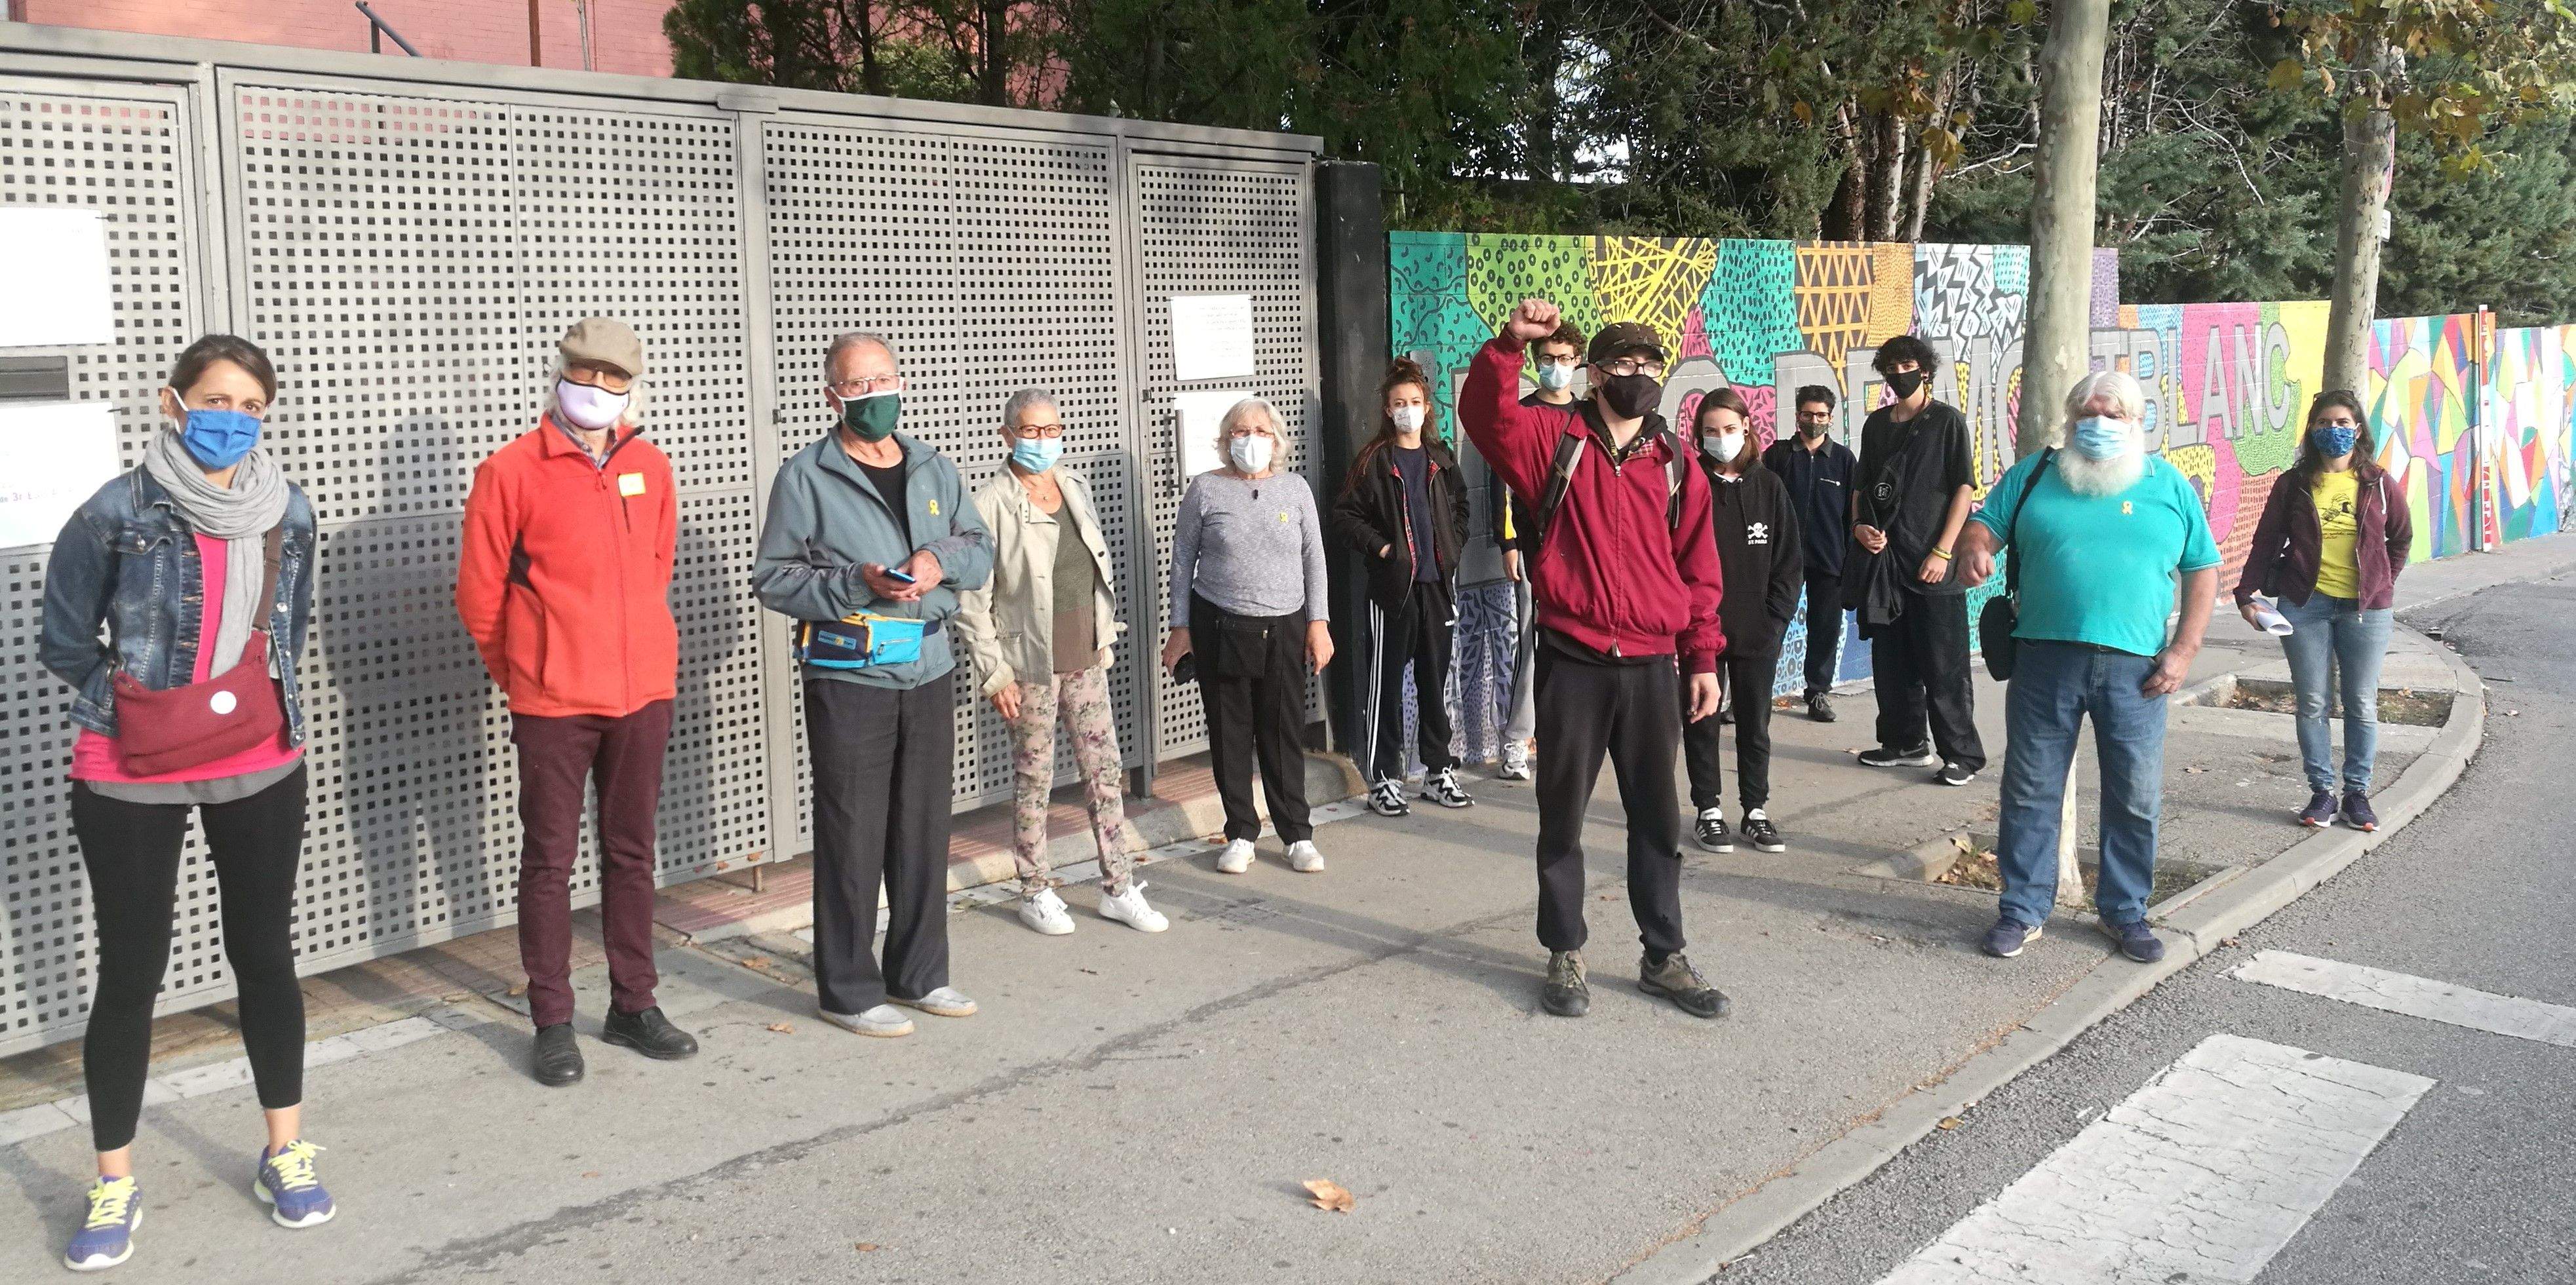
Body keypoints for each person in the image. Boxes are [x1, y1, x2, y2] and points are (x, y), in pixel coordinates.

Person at [40, 335, 332, 1269]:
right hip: (129, 766)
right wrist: (134, 703)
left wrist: (241, 704)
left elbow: (292, 621)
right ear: (172, 403)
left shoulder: (288, 508)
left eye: (251, 404)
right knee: (132, 972)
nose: (231, 418)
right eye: (214, 399)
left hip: (258, 757)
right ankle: (114, 1180)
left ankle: (285, 1153)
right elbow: (62, 636)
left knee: (264, 955)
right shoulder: (115, 508)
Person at [1459, 300, 1730, 1021]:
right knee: (1563, 817)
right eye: (1622, 365)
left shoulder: (1677, 466)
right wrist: (1508, 347)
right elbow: (1487, 419)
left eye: (1650, 366)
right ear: (1593, 374)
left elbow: (1700, 569)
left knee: (1656, 818)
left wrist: (1702, 656)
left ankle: (1663, 954)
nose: (1637, 376)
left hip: (1651, 665)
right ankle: (1565, 948)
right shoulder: (1553, 438)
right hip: (1573, 657)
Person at [456, 318, 701, 1088]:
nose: (597, 389)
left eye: (614, 378)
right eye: (585, 373)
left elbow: (656, 568)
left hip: (643, 693)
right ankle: (553, 1018)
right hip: (554, 699)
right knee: (550, 860)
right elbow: (480, 594)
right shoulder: (510, 470)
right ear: (559, 373)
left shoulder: (651, 466)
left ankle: (634, 1001)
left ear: (633, 387)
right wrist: (527, 669)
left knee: (632, 853)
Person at [753, 332, 992, 1039]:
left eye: (882, 380)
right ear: (832, 395)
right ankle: (849, 989)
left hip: (927, 664)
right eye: (857, 386)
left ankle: (920, 974)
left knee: (922, 825)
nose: (873, 396)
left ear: (901, 384)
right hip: (849, 673)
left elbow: (979, 550)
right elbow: (773, 577)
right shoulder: (806, 475)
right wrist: (855, 581)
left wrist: (933, 559)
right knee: (853, 831)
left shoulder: (932, 466)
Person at [1956, 371, 2219, 965]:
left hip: (2138, 671)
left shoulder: (2168, 486)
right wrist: (1975, 549)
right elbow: (1985, 526)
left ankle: (2126, 912)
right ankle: (2021, 910)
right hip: (2044, 660)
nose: (2099, 424)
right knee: (2029, 791)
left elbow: (2203, 570)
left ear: (2137, 423)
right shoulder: (2035, 475)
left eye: (2114, 414)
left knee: (2134, 794)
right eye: (2088, 413)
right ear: (2071, 420)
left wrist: (2184, 651)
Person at [952, 389, 1166, 936]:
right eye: (1031, 430)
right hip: (1030, 664)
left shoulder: (1074, 486)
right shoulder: (991, 503)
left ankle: (1119, 886)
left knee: (1105, 774)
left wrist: (1103, 636)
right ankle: (1036, 889)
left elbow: (1092, 570)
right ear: (1007, 435)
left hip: (1085, 656)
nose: (1043, 440)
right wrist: (994, 671)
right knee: (1036, 779)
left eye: (1052, 429)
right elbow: (972, 597)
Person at [1160, 398, 1335, 875]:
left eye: (1260, 430)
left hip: (1285, 623)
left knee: (1282, 732)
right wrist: (1180, 629)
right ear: (1225, 440)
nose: (1250, 439)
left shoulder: (1295, 489)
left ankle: (1297, 833)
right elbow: (1182, 562)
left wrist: (1318, 623)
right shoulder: (1206, 490)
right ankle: (1240, 830)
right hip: (1220, 622)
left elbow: (1314, 559)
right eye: (1240, 431)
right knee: (1230, 731)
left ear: (1276, 439)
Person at [2233, 391, 2413, 832]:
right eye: (2324, 423)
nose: (2334, 430)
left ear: (2358, 429)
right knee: (2313, 701)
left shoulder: (2378, 482)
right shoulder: (2293, 484)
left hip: (2365, 609)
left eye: (2342, 422)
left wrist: (2380, 581)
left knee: (2361, 701)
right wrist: (2245, 594)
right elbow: (2266, 541)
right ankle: (2322, 792)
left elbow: (2401, 538)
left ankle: (2357, 794)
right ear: (2312, 429)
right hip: (2304, 604)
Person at [1334, 358, 1473, 816]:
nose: (1407, 411)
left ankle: (1438, 771)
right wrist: (1383, 550)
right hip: (1393, 592)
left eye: (1414, 403)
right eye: (1399, 404)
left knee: (1436, 684)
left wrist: (1449, 549)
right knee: (1387, 685)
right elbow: (1345, 517)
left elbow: (1461, 509)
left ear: (1427, 407)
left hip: (1438, 588)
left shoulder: (1441, 458)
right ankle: (1384, 777)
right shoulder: (1375, 460)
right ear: (1387, 410)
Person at [1849, 336, 1987, 786]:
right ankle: (1904, 742)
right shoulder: (1875, 426)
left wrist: (1944, 550)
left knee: (1943, 664)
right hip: (1885, 566)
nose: (1898, 373)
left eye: (1906, 364)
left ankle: (1961, 755)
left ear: (1924, 369)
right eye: (1890, 366)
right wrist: (1858, 527)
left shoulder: (1946, 422)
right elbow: (1861, 487)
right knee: (1890, 662)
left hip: (1933, 565)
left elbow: (1963, 487)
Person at [1683, 388, 1804, 855]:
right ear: (1699, 436)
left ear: (1748, 429)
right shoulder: (1690, 484)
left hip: (1757, 633)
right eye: (1711, 431)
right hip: (1702, 633)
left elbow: (1789, 563)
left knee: (1755, 724)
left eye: (1730, 429)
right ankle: (1708, 809)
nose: (1722, 439)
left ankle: (1755, 809)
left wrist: (1774, 619)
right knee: (1703, 721)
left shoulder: (1769, 487)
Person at [1492, 320, 1586, 780]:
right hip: (1533, 549)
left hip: (1582, 554)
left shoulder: (1588, 418)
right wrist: (1509, 542)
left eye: (1564, 359)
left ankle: (1571, 737)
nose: (1555, 367)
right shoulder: (1521, 413)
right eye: (1547, 359)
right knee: (1532, 642)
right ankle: (1516, 740)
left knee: (1576, 646)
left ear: (1578, 362)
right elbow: (1503, 483)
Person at [1763, 384, 1856, 722]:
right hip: (1782, 559)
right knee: (1771, 625)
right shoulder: (1778, 455)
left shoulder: (1844, 460)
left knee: (1825, 627)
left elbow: (1851, 513)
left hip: (1829, 560)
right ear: (1797, 415)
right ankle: (1756, 693)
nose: (1813, 421)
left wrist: (1849, 560)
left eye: (1820, 415)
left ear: (1831, 419)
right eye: (1807, 414)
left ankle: (1818, 692)